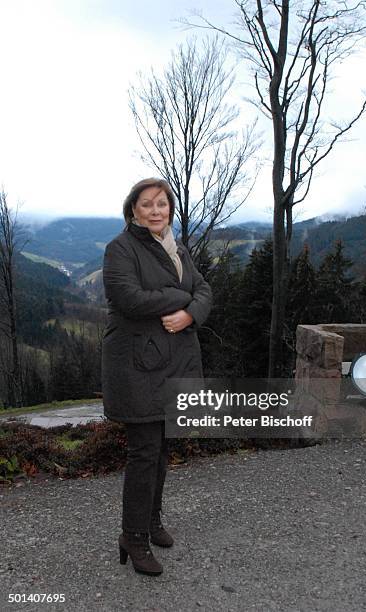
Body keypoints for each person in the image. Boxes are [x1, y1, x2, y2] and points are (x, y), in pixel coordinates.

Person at [101, 177, 212, 576]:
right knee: (144, 452)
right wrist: (183, 298)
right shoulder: (120, 248)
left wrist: (190, 314)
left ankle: (151, 521)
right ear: (133, 210)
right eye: (146, 204)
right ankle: (133, 536)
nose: (155, 210)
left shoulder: (177, 247)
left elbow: (205, 291)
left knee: (162, 449)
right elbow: (127, 299)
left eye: (162, 204)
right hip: (138, 366)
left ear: (170, 209)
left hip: (172, 362)